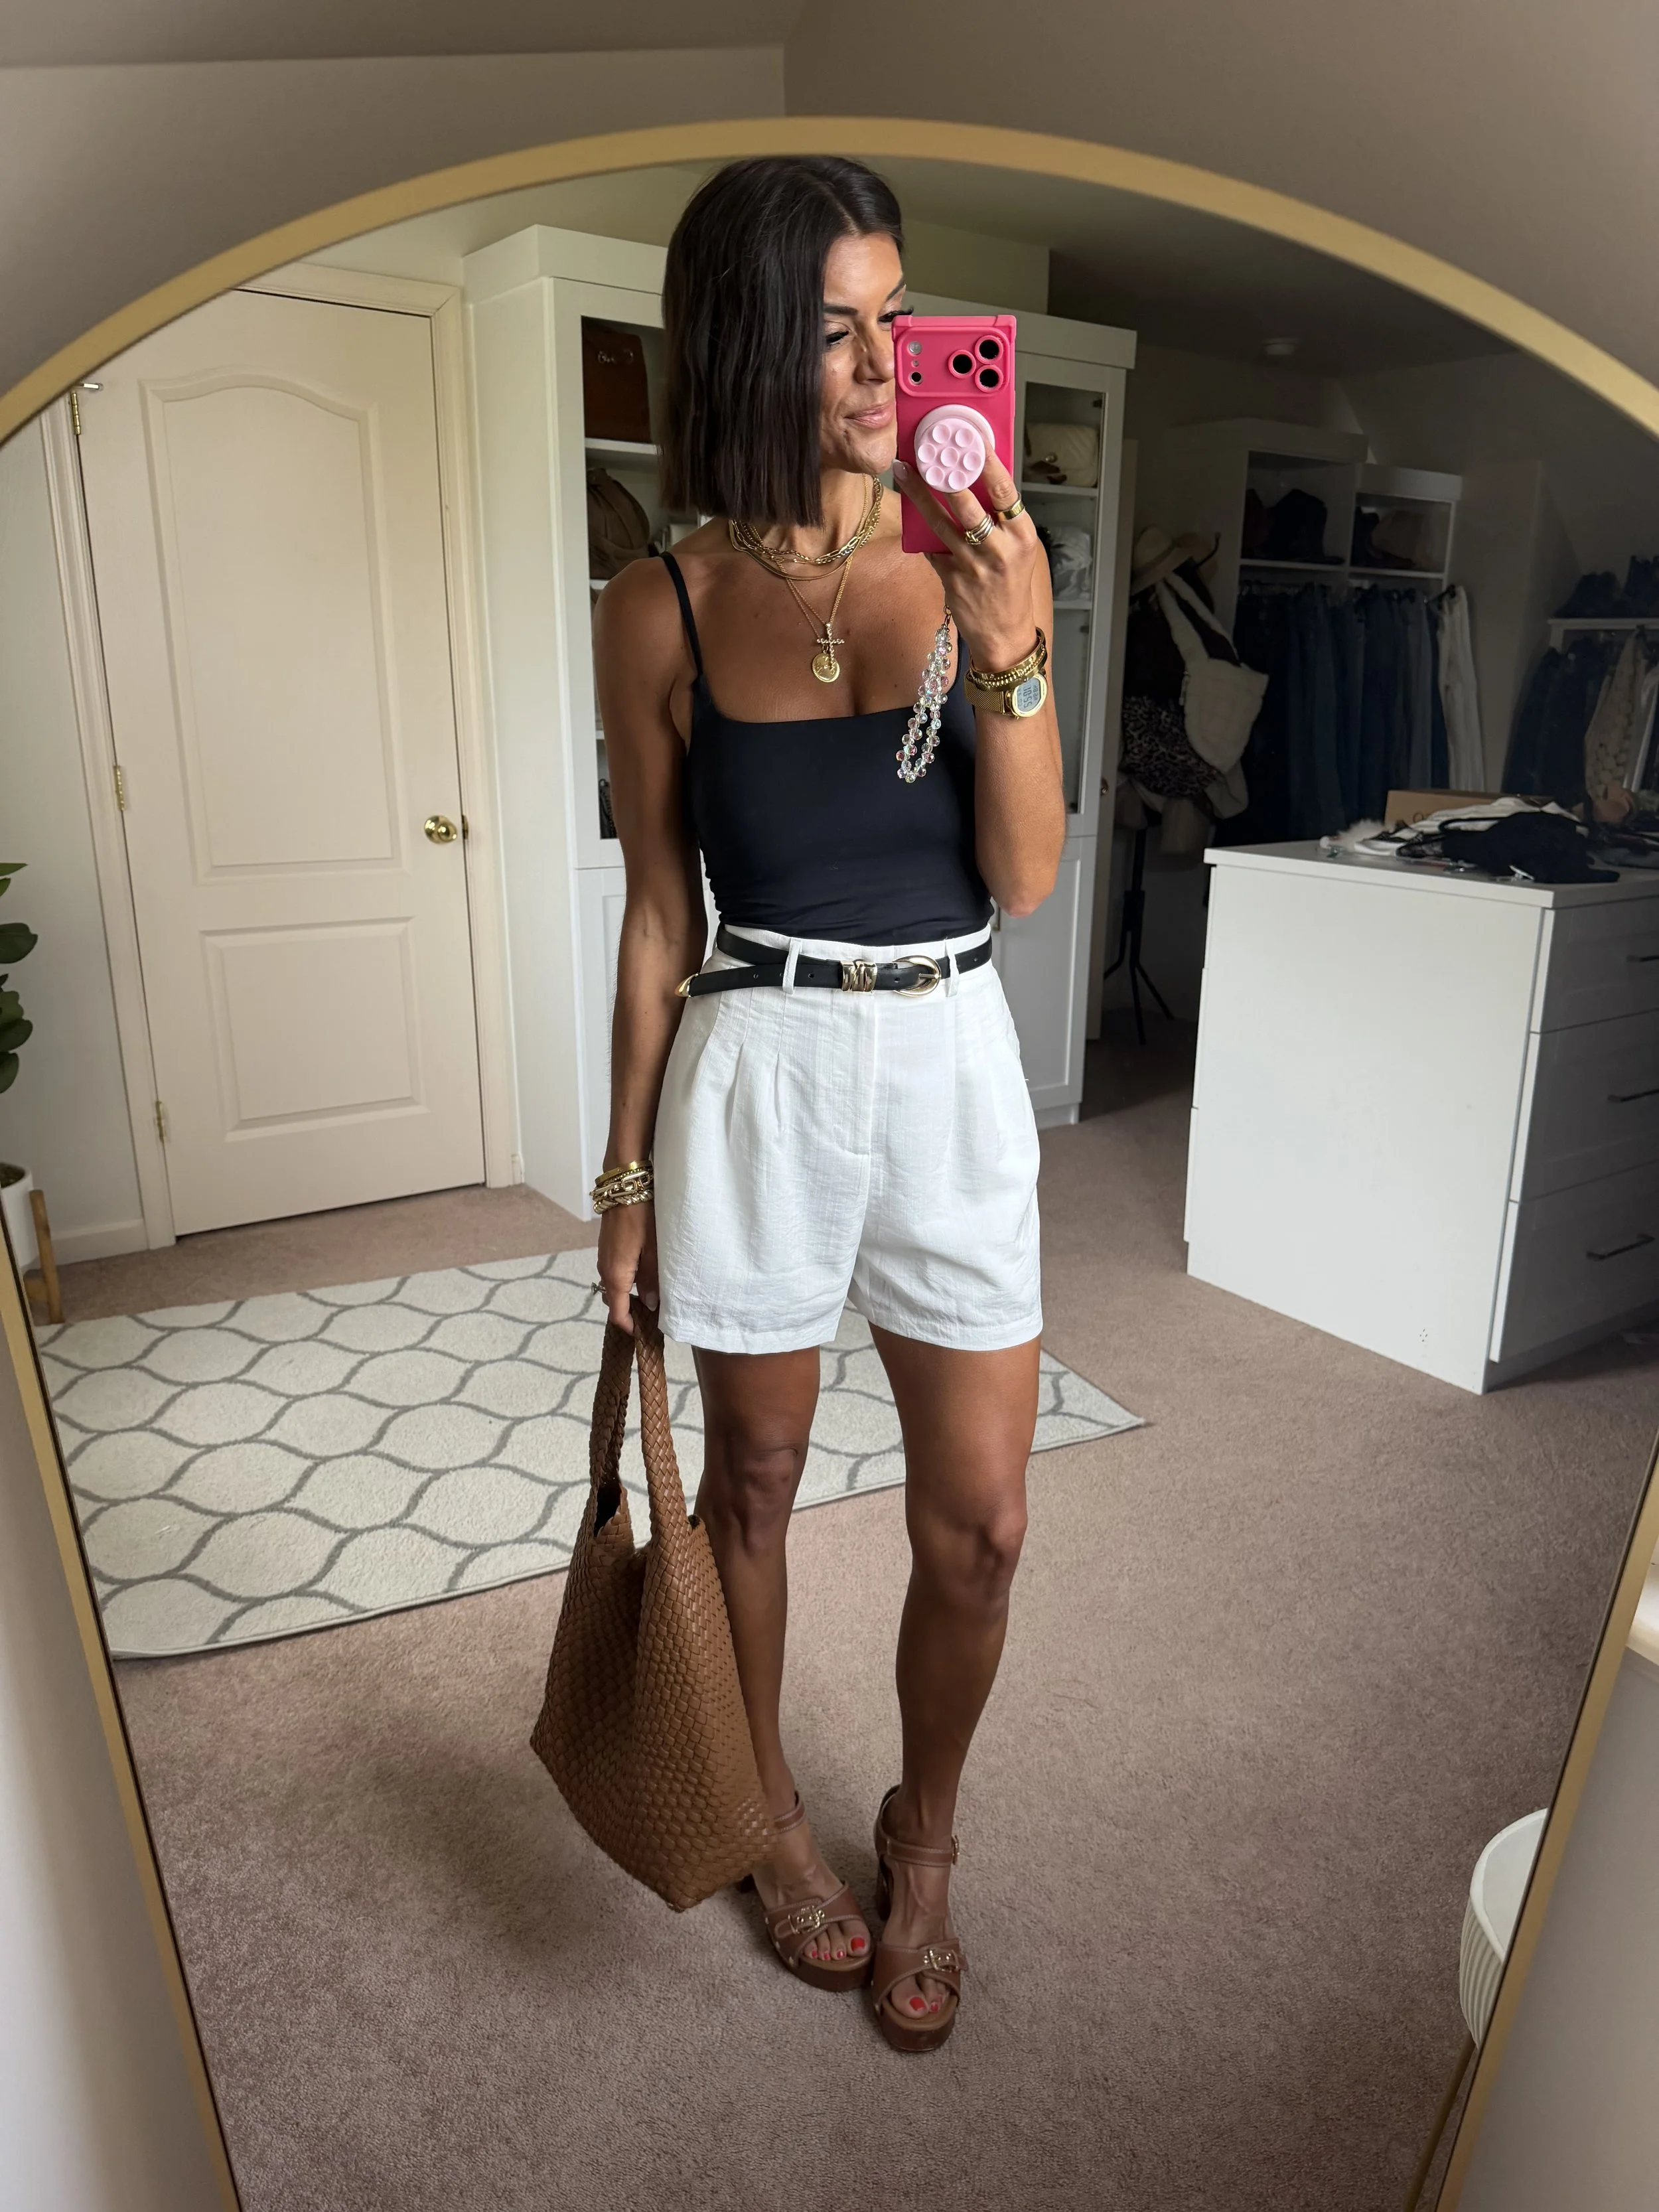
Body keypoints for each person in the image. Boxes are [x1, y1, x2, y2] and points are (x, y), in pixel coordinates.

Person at [591, 155, 1064, 2053]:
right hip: (759, 1066)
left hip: (947, 1060)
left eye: (901, 319)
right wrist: (621, 1176)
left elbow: (1022, 880)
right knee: (756, 1486)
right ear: (742, 347)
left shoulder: (972, 565)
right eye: (834, 331)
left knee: (985, 1523)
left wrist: (1014, 649)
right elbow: (658, 913)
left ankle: (921, 1837)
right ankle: (772, 1819)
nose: (883, 368)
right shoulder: (662, 601)